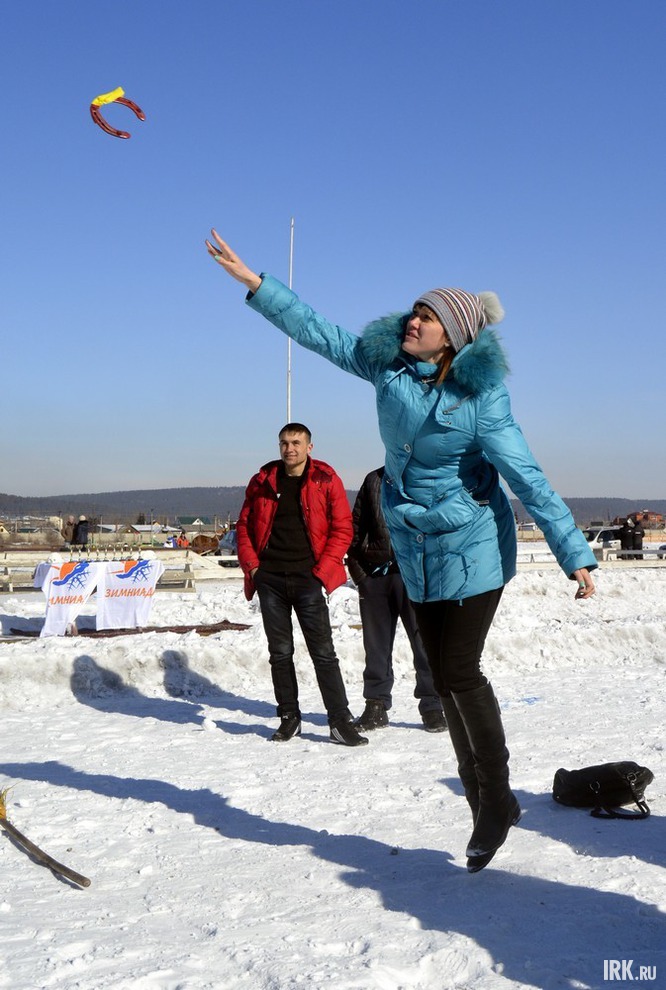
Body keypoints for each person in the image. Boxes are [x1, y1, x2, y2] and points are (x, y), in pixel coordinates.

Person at [205, 230, 596, 872]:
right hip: (415, 548)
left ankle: (492, 799)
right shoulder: (387, 368)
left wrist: (571, 549)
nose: (413, 320)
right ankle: (490, 799)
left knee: (460, 671)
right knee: (441, 675)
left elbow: (528, 476)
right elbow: (322, 334)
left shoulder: (482, 399)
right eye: (415, 311)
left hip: (474, 544)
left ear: (455, 336)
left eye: (428, 316)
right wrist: (257, 284)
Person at [236, 422, 368, 747]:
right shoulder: (263, 480)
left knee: (323, 653)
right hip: (270, 581)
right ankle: (289, 719)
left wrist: (322, 572)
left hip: (309, 579)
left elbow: (343, 528)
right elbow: (243, 527)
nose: (289, 448)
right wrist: (254, 569)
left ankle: (340, 721)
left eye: (296, 442)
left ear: (310, 447)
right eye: (284, 443)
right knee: (280, 653)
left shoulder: (325, 479)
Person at [348, 466, 447, 733]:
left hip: (417, 576)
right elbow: (355, 527)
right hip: (376, 577)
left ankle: (433, 706)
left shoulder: (428, 475)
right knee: (376, 647)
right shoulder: (374, 480)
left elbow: (441, 524)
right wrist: (360, 575)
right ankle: (376, 705)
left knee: (424, 644)